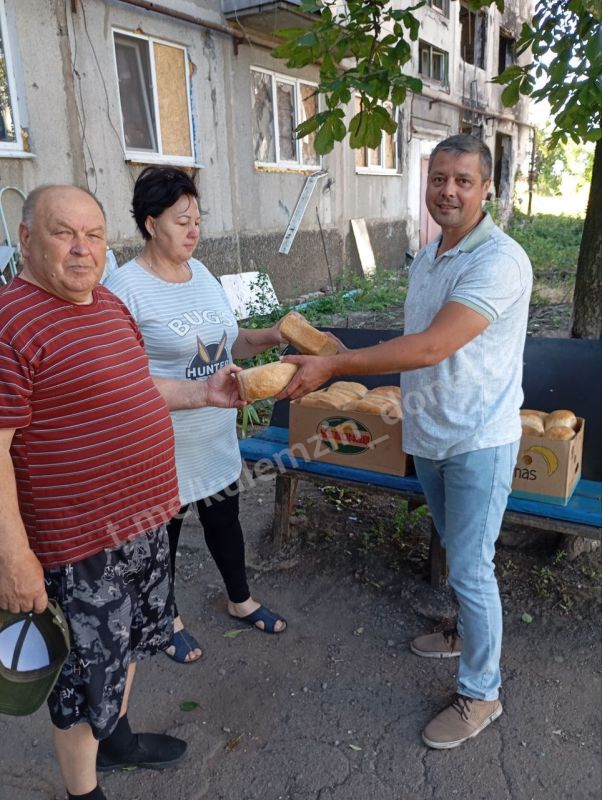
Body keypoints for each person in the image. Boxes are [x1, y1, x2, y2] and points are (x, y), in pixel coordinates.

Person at [278, 134, 533, 749]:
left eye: (463, 180)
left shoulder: (497, 260)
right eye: (439, 178)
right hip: (429, 429)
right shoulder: (429, 256)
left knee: (473, 567)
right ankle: (464, 634)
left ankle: (482, 693)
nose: (448, 190)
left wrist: (340, 368)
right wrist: (342, 353)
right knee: (454, 546)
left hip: (478, 438)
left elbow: (431, 346)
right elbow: (414, 341)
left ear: (487, 187)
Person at [0, 185, 243, 800]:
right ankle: (85, 792)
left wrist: (204, 393)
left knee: (130, 643)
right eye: (63, 233)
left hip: (143, 525)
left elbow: (141, 388)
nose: (82, 250)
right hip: (78, 545)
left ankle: (120, 743)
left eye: (94, 235)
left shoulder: (107, 305)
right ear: (26, 238)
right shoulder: (9, 324)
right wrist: (14, 558)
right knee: (83, 678)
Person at [104, 166, 287, 665]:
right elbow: (119, 378)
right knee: (166, 533)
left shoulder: (201, 273)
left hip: (215, 433)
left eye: (197, 218)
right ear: (149, 223)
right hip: (162, 442)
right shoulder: (124, 289)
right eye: (182, 219)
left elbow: (228, 344)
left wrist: (270, 335)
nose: (194, 229)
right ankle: (166, 619)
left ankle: (239, 598)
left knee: (225, 519)